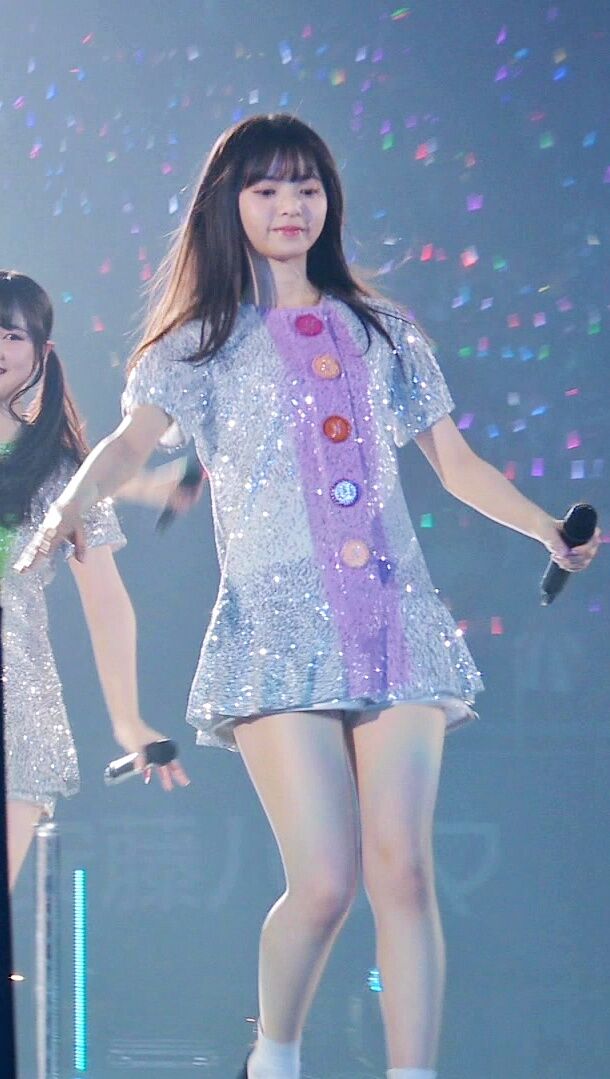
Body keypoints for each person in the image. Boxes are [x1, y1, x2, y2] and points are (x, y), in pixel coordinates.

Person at [17, 116, 600, 1079]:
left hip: (396, 624)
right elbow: (127, 448)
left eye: (308, 187)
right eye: (267, 189)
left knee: (405, 870)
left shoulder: (384, 331)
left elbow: (455, 465)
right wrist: (67, 509)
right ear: (229, 204)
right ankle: (276, 1053)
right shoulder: (197, 345)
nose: (291, 206)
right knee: (326, 881)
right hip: (274, 631)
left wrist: (545, 528)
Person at [0, 270, 189, 891]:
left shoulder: (59, 473)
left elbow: (106, 602)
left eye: (11, 335)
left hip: (16, 714)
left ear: (41, 354)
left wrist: (128, 720)